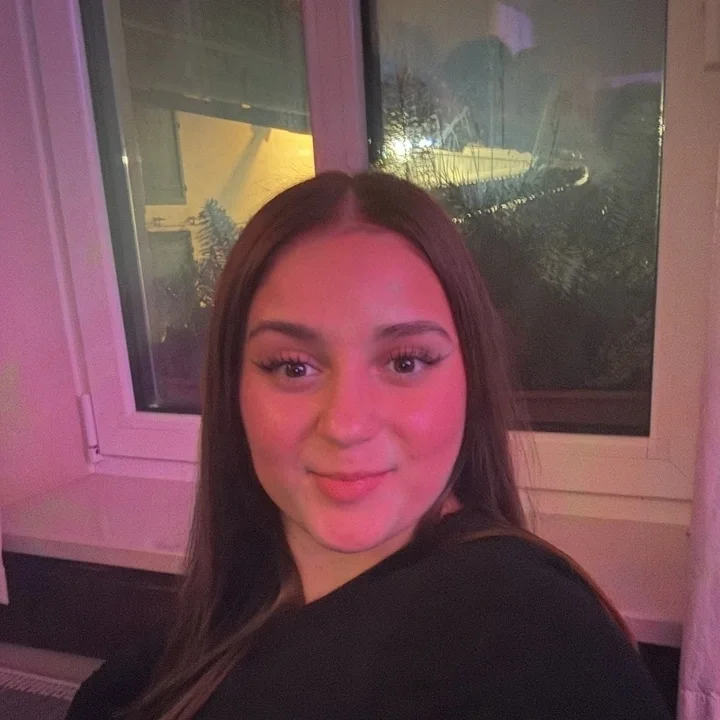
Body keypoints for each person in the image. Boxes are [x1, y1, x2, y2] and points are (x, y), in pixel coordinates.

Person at [67, 172, 671, 720]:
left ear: (470, 378)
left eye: (405, 361)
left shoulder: (532, 638)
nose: (346, 424)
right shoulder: (221, 617)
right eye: (293, 367)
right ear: (234, 390)